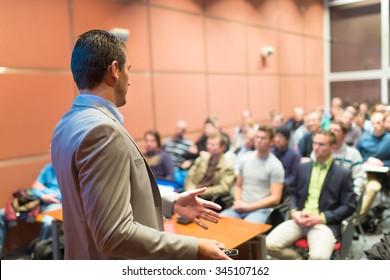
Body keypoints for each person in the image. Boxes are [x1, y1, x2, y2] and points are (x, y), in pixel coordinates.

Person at [51, 29, 230, 260]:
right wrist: (194, 247)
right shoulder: (102, 131)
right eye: (128, 69)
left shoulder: (67, 124)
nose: (129, 79)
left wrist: (171, 202)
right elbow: (114, 234)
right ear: (114, 70)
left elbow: (97, 198)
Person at [266, 130, 356, 260]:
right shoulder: (303, 168)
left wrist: (323, 217)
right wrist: (294, 211)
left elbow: (349, 206)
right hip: (299, 219)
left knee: (318, 257)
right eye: (314, 143)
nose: (316, 147)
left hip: (323, 223)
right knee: (268, 245)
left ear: (332, 147)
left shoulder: (343, 173)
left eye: (321, 144)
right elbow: (293, 195)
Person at [221, 125, 285, 224]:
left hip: (260, 210)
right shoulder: (245, 158)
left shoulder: (275, 165)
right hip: (240, 207)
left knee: (246, 230)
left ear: (271, 142)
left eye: (263, 138)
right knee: (219, 221)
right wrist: (238, 202)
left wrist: (249, 207)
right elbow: (238, 186)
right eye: (257, 137)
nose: (259, 141)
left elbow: (275, 198)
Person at [0, 162, 62, 257]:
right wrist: (43, 195)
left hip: (55, 204)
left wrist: (43, 190)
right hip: (38, 202)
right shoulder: (49, 168)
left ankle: (40, 254)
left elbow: (65, 194)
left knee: (48, 222)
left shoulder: (68, 168)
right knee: (2, 214)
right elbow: (34, 188)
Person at [356, 111, 390, 219]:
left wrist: (382, 163)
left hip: (381, 175)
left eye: (378, 123)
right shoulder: (363, 139)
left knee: (373, 187)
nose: (375, 126)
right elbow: (356, 157)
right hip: (362, 171)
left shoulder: (388, 139)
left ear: (384, 123)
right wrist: (366, 160)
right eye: (373, 123)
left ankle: (355, 219)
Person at [184, 133, 235, 200]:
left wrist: (200, 192)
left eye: (212, 145)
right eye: (207, 144)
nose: (208, 146)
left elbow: (224, 188)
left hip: (210, 199)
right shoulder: (201, 159)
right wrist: (190, 189)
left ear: (222, 147)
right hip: (193, 194)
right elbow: (190, 177)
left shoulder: (228, 165)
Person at [329, 120, 367, 197]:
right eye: (330, 130)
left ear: (344, 134)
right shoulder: (322, 151)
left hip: (346, 194)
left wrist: (354, 194)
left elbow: (360, 176)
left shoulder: (353, 153)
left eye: (336, 130)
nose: (332, 132)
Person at [270, 126, 301, 199]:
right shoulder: (270, 152)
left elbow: (294, 176)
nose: (277, 140)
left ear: (287, 139)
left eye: (280, 137)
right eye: (275, 136)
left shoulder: (294, 155)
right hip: (270, 185)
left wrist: (280, 183)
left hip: (286, 189)